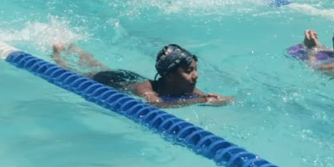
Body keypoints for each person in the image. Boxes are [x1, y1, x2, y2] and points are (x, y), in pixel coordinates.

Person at [52, 42, 231, 108]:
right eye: (188, 71)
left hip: (128, 75)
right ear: (168, 76)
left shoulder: (185, 87)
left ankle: (79, 51)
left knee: (98, 65)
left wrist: (220, 100)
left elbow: (206, 97)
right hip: (111, 81)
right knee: (79, 72)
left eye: (195, 69)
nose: (196, 76)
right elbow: (155, 104)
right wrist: (200, 101)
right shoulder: (144, 88)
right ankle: (58, 55)